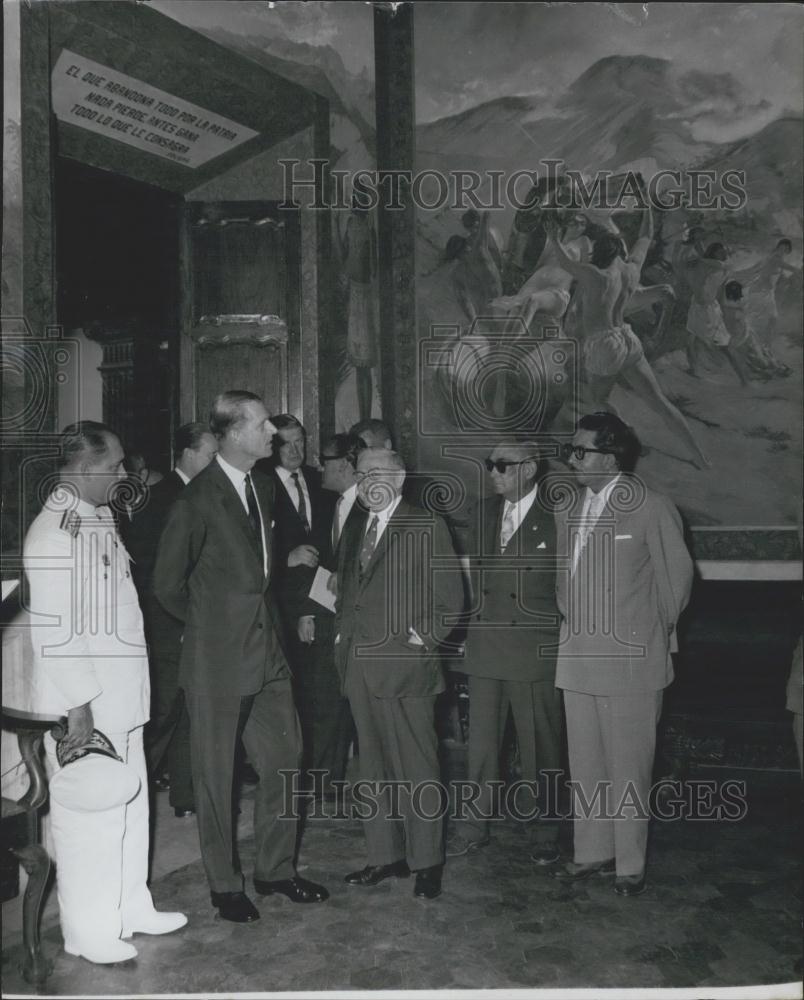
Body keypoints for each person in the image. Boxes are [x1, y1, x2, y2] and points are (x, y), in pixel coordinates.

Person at [153, 391, 328, 923]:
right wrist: (213, 631)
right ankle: (225, 885)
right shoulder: (195, 500)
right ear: (231, 433)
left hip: (269, 654)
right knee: (215, 777)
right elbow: (166, 586)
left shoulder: (263, 487)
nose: (272, 433)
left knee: (284, 762)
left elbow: (261, 574)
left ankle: (276, 870)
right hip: (218, 660)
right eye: (262, 425)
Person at [23, 421, 186, 964]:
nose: (123, 475)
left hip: (122, 694)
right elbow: (55, 631)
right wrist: (79, 708)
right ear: (85, 468)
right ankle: (88, 929)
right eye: (114, 466)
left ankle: (129, 905)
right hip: (87, 704)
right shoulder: (54, 533)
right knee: (88, 816)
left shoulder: (96, 515)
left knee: (131, 803)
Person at [552, 412, 693, 897]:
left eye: (581, 451)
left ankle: (629, 861)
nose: (573, 459)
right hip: (576, 655)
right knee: (585, 761)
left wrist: (647, 634)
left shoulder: (651, 507)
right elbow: (564, 577)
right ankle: (593, 850)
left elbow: (677, 583)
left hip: (631, 661)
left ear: (611, 457)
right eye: (572, 450)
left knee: (628, 764)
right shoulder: (568, 507)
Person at [336, 448, 464, 899]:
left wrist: (421, 640)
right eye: (361, 473)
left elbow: (451, 601)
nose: (367, 480)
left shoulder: (426, 524)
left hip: (407, 669)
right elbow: (349, 590)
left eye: (376, 473)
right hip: (359, 667)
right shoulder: (356, 524)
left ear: (400, 477)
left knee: (419, 768)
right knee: (371, 768)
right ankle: (384, 856)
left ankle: (427, 862)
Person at [446, 441, 562, 864]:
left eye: (502, 465)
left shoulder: (557, 515)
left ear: (529, 469)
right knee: (481, 748)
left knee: (540, 749)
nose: (493, 472)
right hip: (486, 649)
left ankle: (545, 829)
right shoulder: (482, 513)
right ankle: (473, 825)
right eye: (489, 464)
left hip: (534, 651)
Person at [545, 211, 711, 470]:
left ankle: (626, 436)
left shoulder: (596, 276)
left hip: (604, 345)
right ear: (620, 252)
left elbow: (567, 264)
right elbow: (646, 235)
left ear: (600, 254)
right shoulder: (632, 268)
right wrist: (648, 209)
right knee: (659, 402)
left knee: (596, 401)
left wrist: (554, 239)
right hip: (627, 337)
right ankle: (700, 457)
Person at [123, 422, 218, 818]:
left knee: (190, 709)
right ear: (189, 453)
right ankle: (133, 795)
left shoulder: (209, 494)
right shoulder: (159, 499)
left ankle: (186, 796)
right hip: (168, 623)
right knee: (163, 712)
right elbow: (149, 571)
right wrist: (176, 622)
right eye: (212, 455)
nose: (217, 463)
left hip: (198, 619)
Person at [257, 413, 338, 788]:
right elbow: (242, 553)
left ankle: (320, 779)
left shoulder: (322, 487)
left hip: (319, 604)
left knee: (320, 694)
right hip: (276, 609)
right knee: (284, 700)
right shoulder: (258, 486)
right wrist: (283, 559)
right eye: (286, 443)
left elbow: (334, 548)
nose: (295, 450)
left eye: (300, 442)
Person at [293, 433, 365, 796]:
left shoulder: (370, 506)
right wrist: (307, 610)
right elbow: (320, 561)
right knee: (323, 701)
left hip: (360, 623)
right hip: (324, 617)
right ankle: (325, 784)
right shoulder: (328, 504)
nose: (319, 466)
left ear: (348, 466)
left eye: (327, 459)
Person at [685, 243, 750, 385]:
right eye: (719, 252)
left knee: (724, 346)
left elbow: (722, 266)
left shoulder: (722, 267)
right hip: (697, 306)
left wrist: (701, 260)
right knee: (691, 340)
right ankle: (693, 369)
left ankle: (744, 379)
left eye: (724, 252)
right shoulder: (705, 265)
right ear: (712, 253)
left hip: (710, 309)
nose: (723, 254)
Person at [736, 238, 796, 374]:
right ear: (778, 247)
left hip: (768, 294)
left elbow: (768, 272)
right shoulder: (774, 258)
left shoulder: (776, 259)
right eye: (782, 247)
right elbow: (784, 267)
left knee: (772, 319)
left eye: (786, 249)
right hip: (760, 293)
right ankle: (756, 352)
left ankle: (765, 349)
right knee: (758, 321)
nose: (784, 250)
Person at [446, 210, 503, 325]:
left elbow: (485, 223)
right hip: (490, 294)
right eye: (470, 228)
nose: (473, 230)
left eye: (474, 227)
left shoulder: (480, 246)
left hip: (495, 294)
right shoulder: (473, 243)